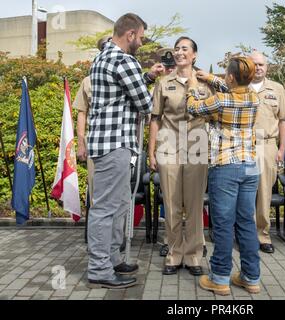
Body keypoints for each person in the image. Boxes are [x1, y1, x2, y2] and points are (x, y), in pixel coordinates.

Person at [87, 13, 164, 289]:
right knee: (106, 208)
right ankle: (99, 268)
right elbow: (146, 105)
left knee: (118, 205)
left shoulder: (104, 57)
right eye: (141, 37)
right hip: (115, 144)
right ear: (130, 34)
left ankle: (112, 259)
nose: (142, 43)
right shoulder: (124, 59)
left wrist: (145, 76)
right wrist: (153, 84)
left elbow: (122, 90)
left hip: (106, 143)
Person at [187, 57, 261, 296]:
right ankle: (251, 277)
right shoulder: (254, 98)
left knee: (223, 224)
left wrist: (191, 89)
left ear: (230, 77)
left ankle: (219, 278)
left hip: (225, 167)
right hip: (250, 166)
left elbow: (194, 108)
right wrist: (210, 78)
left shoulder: (220, 100)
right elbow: (231, 90)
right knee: (247, 222)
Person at [148, 36, 212, 276]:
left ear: (194, 54)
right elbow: (154, 119)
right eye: (176, 49)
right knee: (172, 203)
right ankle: (174, 253)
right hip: (169, 144)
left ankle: (194, 255)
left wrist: (211, 78)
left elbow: (225, 104)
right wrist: (151, 151)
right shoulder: (164, 83)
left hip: (197, 145)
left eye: (184, 49)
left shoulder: (207, 82)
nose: (179, 52)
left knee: (195, 204)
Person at [249, 51, 285, 254]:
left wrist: (282, 149)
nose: (258, 68)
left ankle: (263, 235)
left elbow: (284, 120)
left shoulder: (276, 89)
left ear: (267, 67)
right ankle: (246, 236)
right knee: (246, 194)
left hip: (268, 146)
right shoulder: (238, 86)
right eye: (254, 64)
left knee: (265, 193)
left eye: (261, 64)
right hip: (245, 147)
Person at [74, 35, 112, 206]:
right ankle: (97, 231)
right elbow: (82, 113)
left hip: (120, 142)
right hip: (95, 142)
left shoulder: (124, 74)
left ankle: (119, 232)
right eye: (105, 45)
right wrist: (81, 143)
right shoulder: (88, 81)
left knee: (119, 193)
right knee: (96, 190)